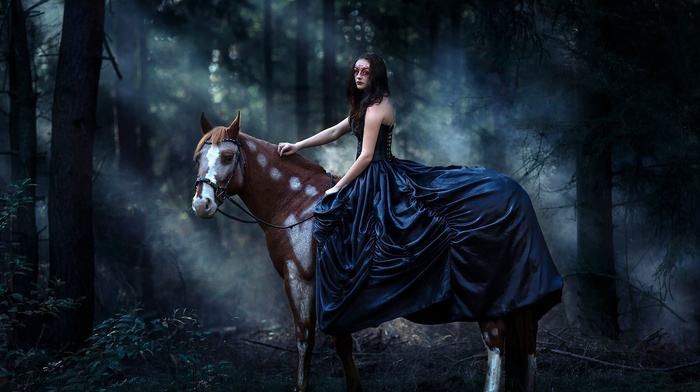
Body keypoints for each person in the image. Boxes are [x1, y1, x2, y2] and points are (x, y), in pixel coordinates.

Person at [277, 53, 563, 336]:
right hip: (370, 176)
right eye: (356, 71)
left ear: (376, 75)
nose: (359, 75)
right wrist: (298, 145)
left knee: (377, 230)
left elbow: (365, 157)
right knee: (344, 230)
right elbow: (336, 130)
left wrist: (338, 187)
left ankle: (375, 294)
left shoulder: (378, 107)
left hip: (380, 176)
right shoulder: (363, 105)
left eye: (365, 71)